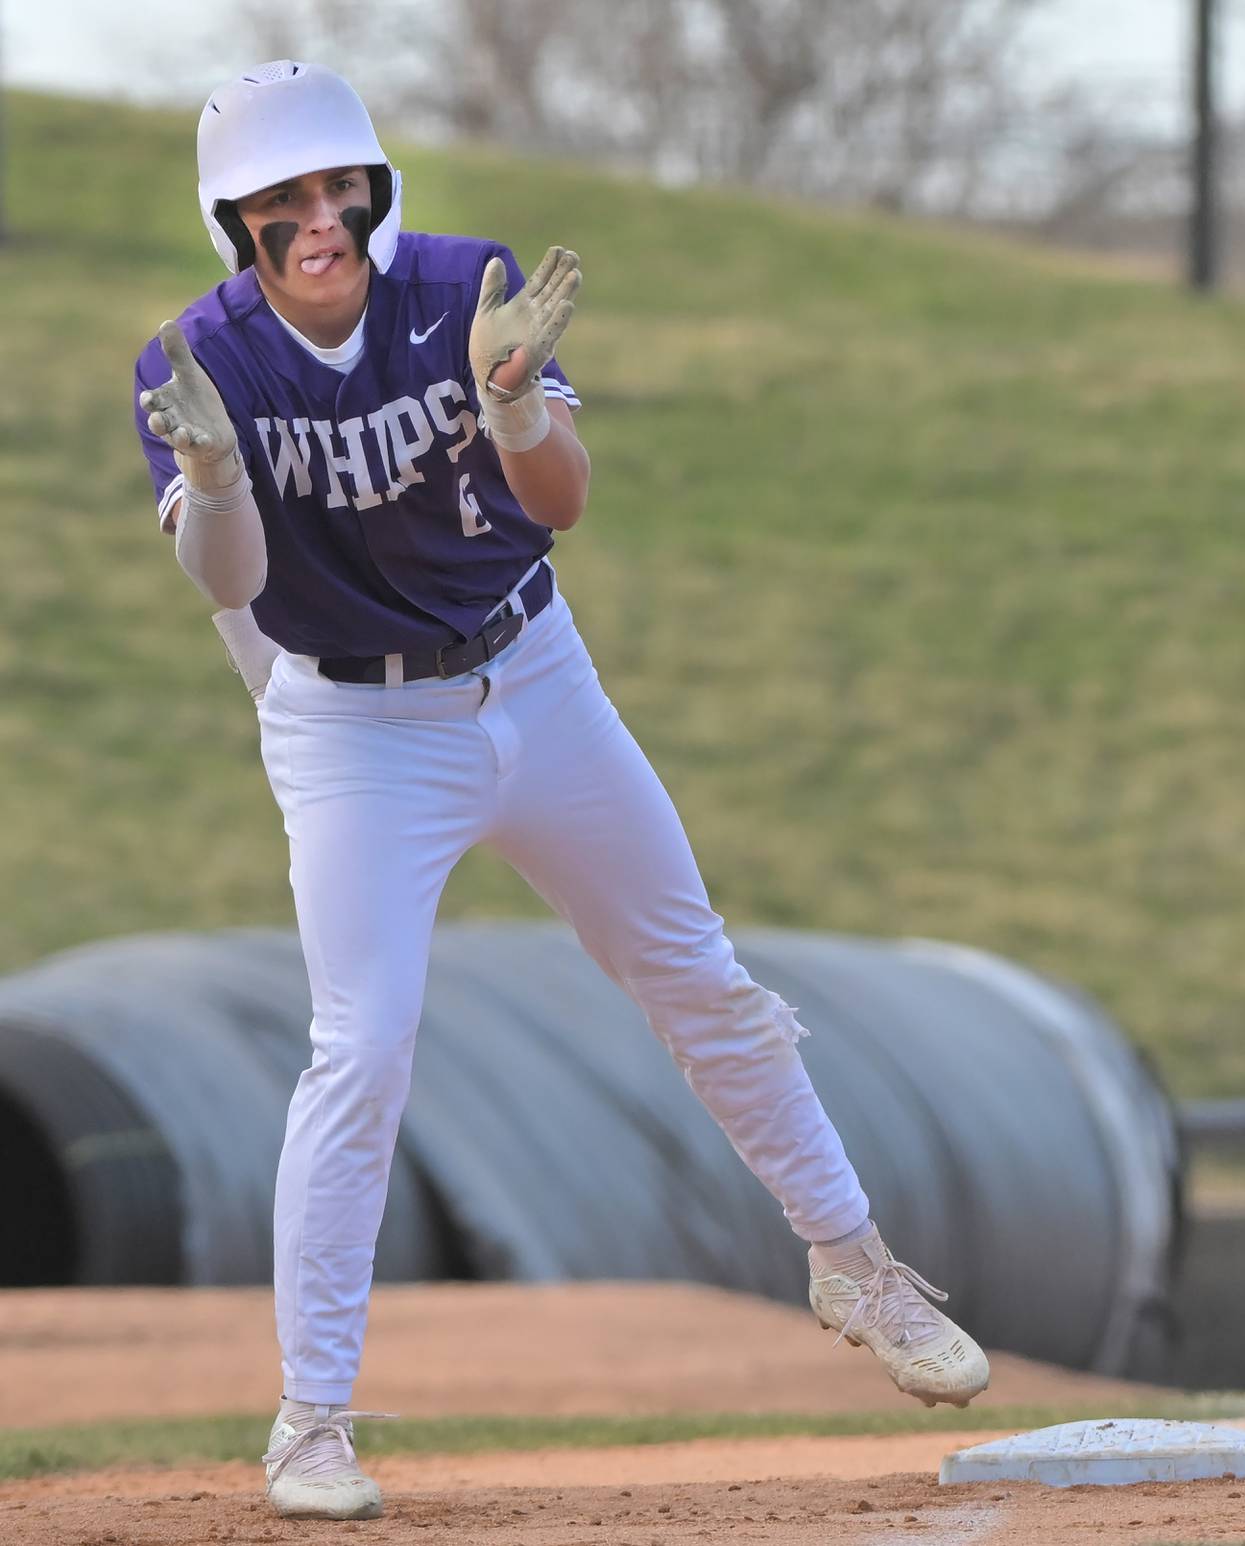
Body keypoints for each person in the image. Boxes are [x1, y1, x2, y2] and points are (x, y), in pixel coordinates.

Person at [133, 61, 988, 1523]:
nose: (317, 219)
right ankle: (311, 1420)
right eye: (281, 202)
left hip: (535, 673)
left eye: (337, 186)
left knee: (699, 976)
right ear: (237, 224)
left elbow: (562, 501)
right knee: (362, 1050)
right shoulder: (207, 359)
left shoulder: (465, 289)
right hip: (353, 725)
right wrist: (213, 481)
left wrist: (518, 403)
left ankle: (854, 1264)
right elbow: (235, 586)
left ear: (375, 189)